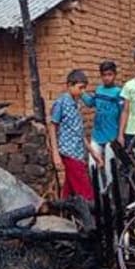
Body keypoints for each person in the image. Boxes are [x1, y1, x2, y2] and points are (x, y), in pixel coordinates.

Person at [49, 69, 102, 202]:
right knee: (85, 191)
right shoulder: (61, 103)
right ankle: (91, 219)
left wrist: (93, 153)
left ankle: (64, 215)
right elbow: (52, 126)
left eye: (84, 88)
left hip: (78, 153)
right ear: (69, 85)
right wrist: (55, 154)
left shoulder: (77, 104)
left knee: (70, 188)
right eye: (80, 88)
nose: (83, 91)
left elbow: (79, 132)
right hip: (68, 152)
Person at [82, 61, 124, 191]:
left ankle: (111, 196)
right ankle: (100, 193)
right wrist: (81, 92)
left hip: (112, 136)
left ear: (115, 75)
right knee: (92, 166)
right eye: (104, 75)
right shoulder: (99, 90)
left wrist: (121, 134)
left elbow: (124, 113)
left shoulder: (119, 92)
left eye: (110, 74)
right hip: (97, 134)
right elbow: (90, 103)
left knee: (109, 168)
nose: (107, 77)